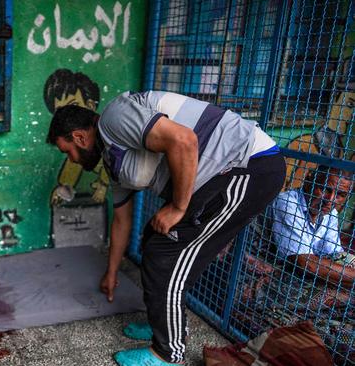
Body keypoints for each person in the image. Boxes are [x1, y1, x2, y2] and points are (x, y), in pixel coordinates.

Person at [46, 91, 285, 365]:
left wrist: (178, 208)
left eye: (68, 152)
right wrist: (111, 273)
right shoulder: (114, 158)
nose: (73, 160)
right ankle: (162, 322)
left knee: (165, 256)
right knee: (153, 239)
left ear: (79, 137)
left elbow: (184, 140)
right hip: (221, 174)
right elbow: (122, 220)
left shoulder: (114, 117)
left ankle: (168, 354)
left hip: (247, 165)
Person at [271, 165, 355, 288]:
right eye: (325, 189)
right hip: (277, 273)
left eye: (340, 194)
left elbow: (335, 255)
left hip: (307, 274)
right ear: (309, 180)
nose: (330, 200)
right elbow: (305, 263)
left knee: (348, 262)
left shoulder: (330, 213)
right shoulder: (288, 203)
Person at [43, 69, 109, 204]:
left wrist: (103, 184)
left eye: (73, 106)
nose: (67, 117)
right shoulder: (81, 148)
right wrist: (64, 187)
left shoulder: (112, 136)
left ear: (90, 106)